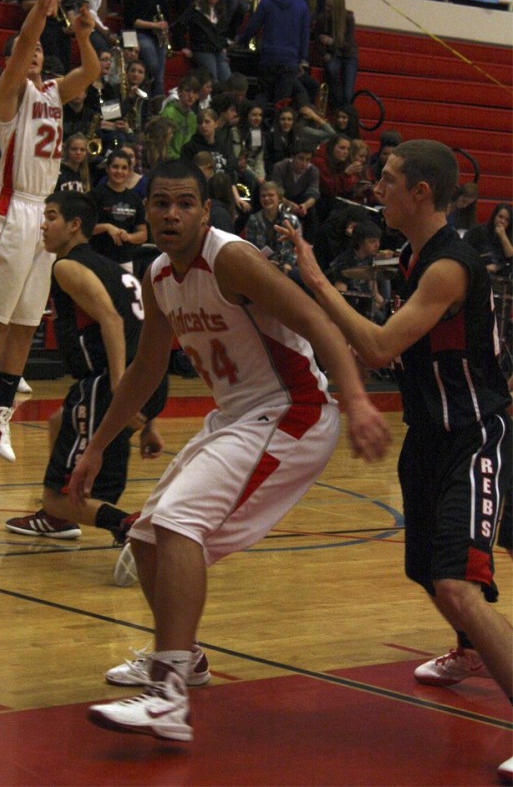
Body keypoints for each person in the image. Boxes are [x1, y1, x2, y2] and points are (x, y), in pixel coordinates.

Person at [68, 157, 390, 742]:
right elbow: (146, 368)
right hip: (238, 417)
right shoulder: (159, 275)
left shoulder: (231, 259)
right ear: (146, 212)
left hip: (292, 411)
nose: (171, 214)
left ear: (205, 213)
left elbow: (317, 322)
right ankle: (185, 659)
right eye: (160, 203)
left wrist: (359, 400)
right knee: (145, 535)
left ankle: (167, 696)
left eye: (184, 203)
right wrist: (95, 448)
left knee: (179, 523)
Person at [279, 140, 512, 780]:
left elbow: (380, 347)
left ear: (420, 193)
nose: (375, 188)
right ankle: (470, 649)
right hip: (429, 435)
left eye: (386, 180)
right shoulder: (413, 257)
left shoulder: (448, 267)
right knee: (427, 570)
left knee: (458, 584)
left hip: (473, 435)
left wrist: (316, 280)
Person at [0, 0, 100, 465]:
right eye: (26, 50)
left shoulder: (53, 92)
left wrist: (83, 36)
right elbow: (25, 42)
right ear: (14, 58)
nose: (34, 54)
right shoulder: (9, 93)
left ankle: (1, 411)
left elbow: (90, 73)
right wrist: (39, 12)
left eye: (39, 51)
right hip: (12, 210)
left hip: (43, 216)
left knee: (27, 322)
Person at [5, 191, 166, 543]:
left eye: (51, 217)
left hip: (109, 383)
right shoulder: (110, 267)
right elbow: (141, 330)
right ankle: (61, 520)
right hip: (147, 381)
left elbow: (112, 320)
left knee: (58, 498)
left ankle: (135, 529)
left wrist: (120, 387)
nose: (43, 225)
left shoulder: (67, 266)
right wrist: (150, 419)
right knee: (59, 421)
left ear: (75, 225)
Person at [236, 0, 309, 109]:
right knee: (282, 101)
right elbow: (304, 36)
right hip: (290, 59)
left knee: (263, 94)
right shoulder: (302, 6)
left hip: (269, 57)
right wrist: (303, 59)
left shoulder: (266, 3)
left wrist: (241, 41)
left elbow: (252, 27)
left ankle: (255, 119)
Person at [90, 150, 148, 271]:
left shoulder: (135, 199)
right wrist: (106, 227)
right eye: (115, 167)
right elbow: (84, 229)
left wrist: (129, 237)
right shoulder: (95, 195)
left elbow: (143, 234)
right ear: (107, 169)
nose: (119, 171)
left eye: (124, 168)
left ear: (129, 171)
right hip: (97, 259)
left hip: (125, 261)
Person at [124, 0, 170, 98]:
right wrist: (155, 25)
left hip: (156, 34)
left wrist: (164, 27)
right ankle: (145, 90)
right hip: (138, 33)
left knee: (160, 73)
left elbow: (165, 15)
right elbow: (131, 20)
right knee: (153, 64)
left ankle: (157, 99)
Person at [178, 0, 232, 82]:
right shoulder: (195, 10)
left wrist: (224, 45)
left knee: (227, 80)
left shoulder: (221, 11)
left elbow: (223, 32)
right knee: (212, 80)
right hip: (202, 49)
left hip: (218, 49)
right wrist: (183, 46)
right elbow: (179, 26)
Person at [245, 181, 301, 276]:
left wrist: (288, 264)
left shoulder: (292, 220)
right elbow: (250, 248)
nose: (266, 198)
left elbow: (298, 247)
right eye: (263, 196)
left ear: (279, 198)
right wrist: (265, 263)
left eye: (271, 195)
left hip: (287, 266)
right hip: (261, 265)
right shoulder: (253, 220)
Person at [316, 0, 358, 112]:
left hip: (348, 55)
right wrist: (323, 53)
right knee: (331, 69)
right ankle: (337, 103)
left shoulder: (348, 18)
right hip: (334, 53)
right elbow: (318, 39)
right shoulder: (323, 19)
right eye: (326, 6)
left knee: (348, 92)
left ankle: (345, 111)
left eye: (330, 7)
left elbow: (348, 45)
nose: (327, 9)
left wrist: (331, 42)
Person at [272, 144, 321, 240]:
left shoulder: (313, 170)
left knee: (312, 212)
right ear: (292, 157)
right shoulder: (280, 167)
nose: (304, 163)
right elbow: (277, 192)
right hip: (283, 199)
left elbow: (314, 192)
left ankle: (309, 243)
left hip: (301, 201)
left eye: (308, 160)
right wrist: (288, 203)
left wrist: (305, 206)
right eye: (301, 159)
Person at [465, 203, 513, 275]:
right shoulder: (477, 231)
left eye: (507, 220)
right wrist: (483, 267)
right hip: (479, 271)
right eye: (500, 217)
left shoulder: (508, 237)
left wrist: (503, 236)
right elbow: (465, 254)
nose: (502, 221)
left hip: (500, 274)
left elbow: (510, 258)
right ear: (494, 216)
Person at [161, 74, 199, 158]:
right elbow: (162, 143)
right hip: (170, 160)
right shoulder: (168, 113)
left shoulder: (193, 118)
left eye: (194, 92)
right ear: (179, 92)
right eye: (187, 91)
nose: (191, 96)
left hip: (187, 160)